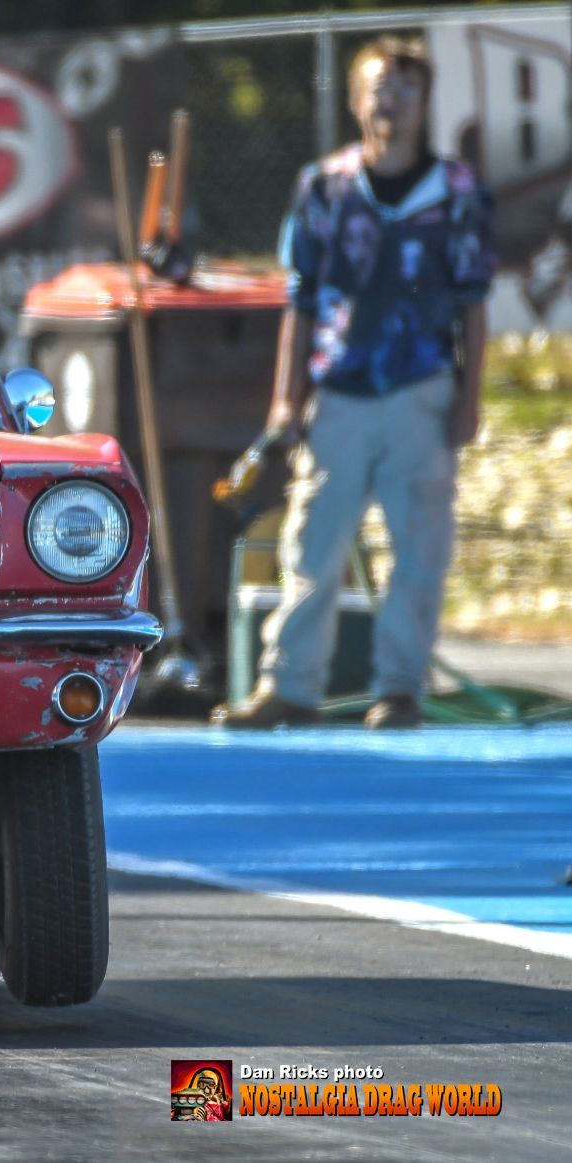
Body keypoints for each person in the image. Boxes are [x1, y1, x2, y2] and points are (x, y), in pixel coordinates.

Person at [216, 37, 496, 730]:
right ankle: (288, 686)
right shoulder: (324, 187)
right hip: (338, 389)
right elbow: (301, 298)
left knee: (418, 549)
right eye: (377, 88)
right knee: (311, 544)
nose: (389, 103)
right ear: (353, 99)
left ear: (424, 103)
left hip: (420, 388)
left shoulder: (454, 192)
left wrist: (468, 399)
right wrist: (287, 398)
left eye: (403, 89)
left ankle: (398, 688)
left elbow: (473, 302)